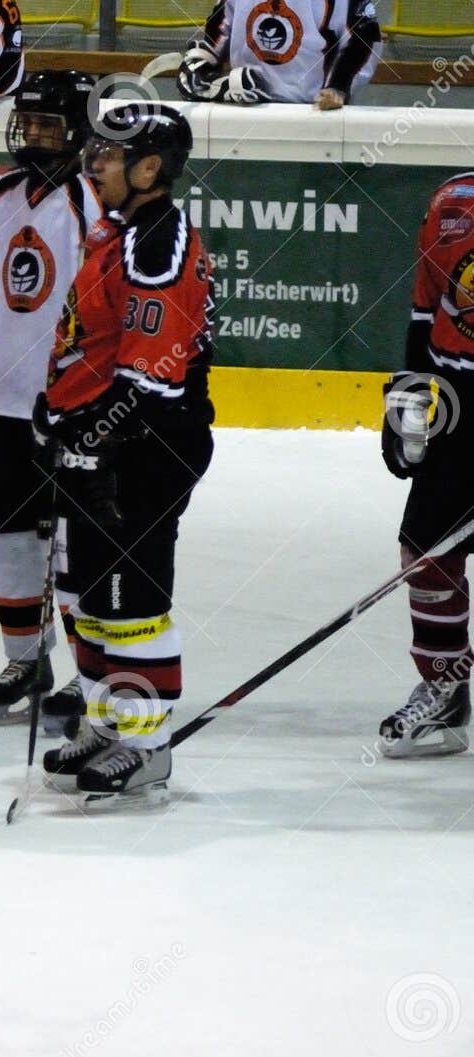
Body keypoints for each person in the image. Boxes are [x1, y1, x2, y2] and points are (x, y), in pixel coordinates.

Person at [36, 104, 215, 808]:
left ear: (149, 168)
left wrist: (101, 438)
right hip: (102, 437)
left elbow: (152, 371)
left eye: (108, 155)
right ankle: (106, 719)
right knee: (85, 592)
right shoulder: (116, 230)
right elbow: (94, 342)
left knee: (130, 595)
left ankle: (144, 745)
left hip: (149, 443)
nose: (92, 163)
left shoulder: (159, 241)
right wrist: (59, 416)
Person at [0, 70, 103, 732]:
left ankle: (90, 672)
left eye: (47, 124)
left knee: (71, 547)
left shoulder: (94, 203)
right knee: (8, 533)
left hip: (69, 407)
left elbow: (97, 309)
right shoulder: (2, 195)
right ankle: (24, 659)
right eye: (27, 122)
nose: (32, 135)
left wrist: (85, 392)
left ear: (80, 129)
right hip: (10, 404)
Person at [374, 172, 474, 757]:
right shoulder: (452, 203)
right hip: (463, 405)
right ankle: (445, 686)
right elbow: (424, 307)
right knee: (427, 549)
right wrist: (410, 396)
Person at [177, 0, 380, 110]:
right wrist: (202, 59)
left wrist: (338, 86)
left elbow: (363, 37)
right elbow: (221, 24)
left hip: (309, 114)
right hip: (242, 107)